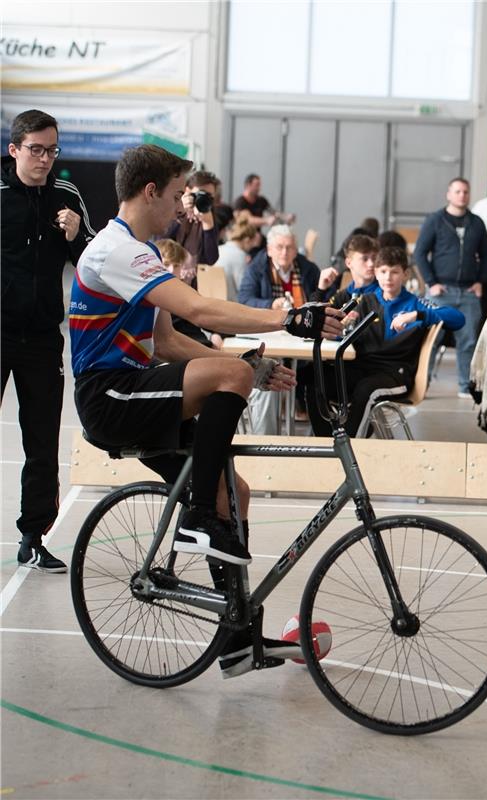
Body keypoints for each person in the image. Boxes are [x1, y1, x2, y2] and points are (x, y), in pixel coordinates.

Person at [70, 144, 344, 677]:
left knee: (233, 494)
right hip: (109, 397)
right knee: (231, 388)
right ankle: (197, 519)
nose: (182, 208)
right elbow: (198, 308)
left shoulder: (139, 250)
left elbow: (169, 343)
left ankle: (236, 638)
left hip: (136, 386)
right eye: (176, 196)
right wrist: (285, 318)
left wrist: (248, 368)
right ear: (149, 191)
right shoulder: (116, 250)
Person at [2, 108, 95, 573]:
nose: (45, 159)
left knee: (42, 442)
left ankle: (33, 536)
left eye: (52, 150)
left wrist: (78, 237)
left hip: (42, 338)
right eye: (36, 149)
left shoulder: (66, 193)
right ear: (14, 149)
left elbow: (93, 260)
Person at [314, 246, 465, 437]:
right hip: (362, 368)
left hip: (396, 375)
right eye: (383, 272)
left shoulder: (415, 303)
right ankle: (324, 441)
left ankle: (349, 447)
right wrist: (337, 331)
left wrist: (416, 315)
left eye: (394, 272)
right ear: (376, 274)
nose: (388, 278)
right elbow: (340, 331)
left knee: (366, 390)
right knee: (315, 380)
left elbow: (458, 319)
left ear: (405, 274)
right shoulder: (364, 301)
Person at [238, 224, 331, 431]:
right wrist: (271, 305)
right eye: (279, 247)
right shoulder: (257, 268)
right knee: (271, 367)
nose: (285, 252)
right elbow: (244, 300)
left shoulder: (307, 268)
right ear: (269, 249)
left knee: (318, 369)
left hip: (301, 337)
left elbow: (323, 298)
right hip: (268, 334)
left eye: (289, 247)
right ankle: (268, 438)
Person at [414, 177, 487, 398]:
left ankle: (464, 386)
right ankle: (421, 386)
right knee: (431, 340)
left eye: (465, 192)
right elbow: (419, 253)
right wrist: (431, 283)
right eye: (457, 191)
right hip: (441, 293)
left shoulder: (476, 223)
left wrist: (480, 283)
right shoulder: (435, 220)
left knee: (468, 341)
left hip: (468, 292)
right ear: (449, 194)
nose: (462, 195)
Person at [156, 238, 223, 350]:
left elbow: (204, 316)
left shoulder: (183, 291)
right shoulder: (154, 297)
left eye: (176, 265)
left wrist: (214, 335)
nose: (172, 270)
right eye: (167, 264)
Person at [162, 169, 220, 273]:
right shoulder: (174, 208)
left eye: (210, 197)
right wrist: (179, 212)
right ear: (188, 191)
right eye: (201, 195)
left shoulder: (209, 214)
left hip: (192, 280)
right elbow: (160, 242)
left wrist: (208, 226)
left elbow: (211, 260)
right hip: (169, 274)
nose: (204, 200)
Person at [216, 220, 258, 302]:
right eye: (252, 243)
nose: (252, 247)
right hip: (229, 304)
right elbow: (243, 287)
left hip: (211, 298)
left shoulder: (218, 249)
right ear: (247, 240)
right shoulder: (241, 256)